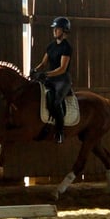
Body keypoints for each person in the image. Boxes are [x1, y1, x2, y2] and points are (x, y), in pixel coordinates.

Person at [31, 16, 73, 144]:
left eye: (57, 28)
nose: (54, 31)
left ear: (64, 30)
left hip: (62, 80)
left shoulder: (67, 47)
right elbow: (43, 63)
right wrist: (35, 70)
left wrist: (46, 74)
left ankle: (60, 132)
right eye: (54, 28)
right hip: (50, 78)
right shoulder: (51, 46)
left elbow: (62, 69)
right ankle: (44, 125)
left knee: (55, 102)